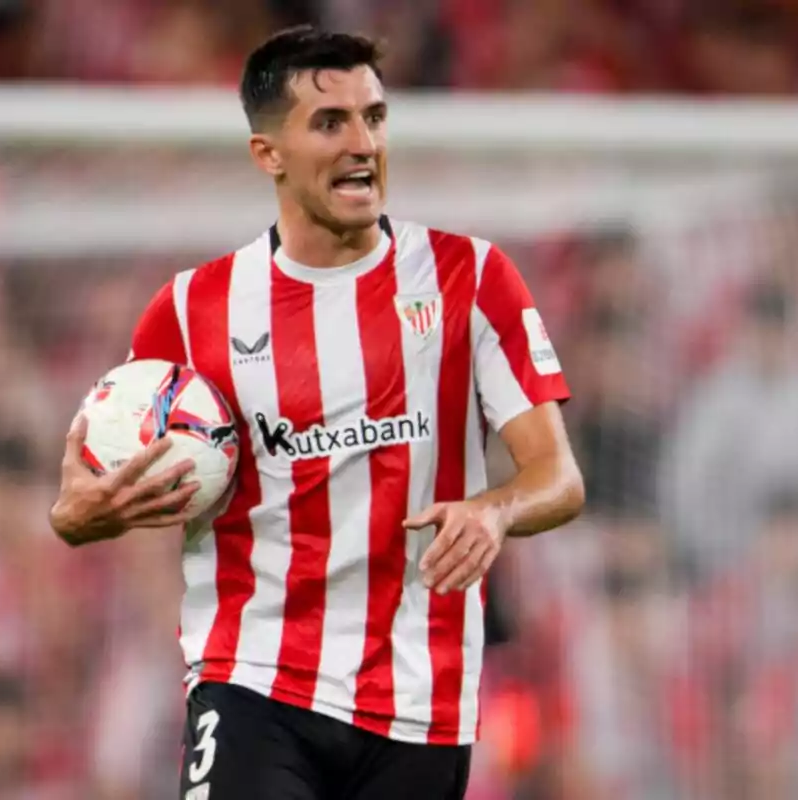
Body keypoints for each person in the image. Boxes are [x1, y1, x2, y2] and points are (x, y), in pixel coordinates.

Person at [48, 26, 585, 800]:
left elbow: (558, 477)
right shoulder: (193, 311)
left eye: (375, 116)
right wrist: (78, 516)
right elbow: (94, 492)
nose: (362, 142)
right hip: (254, 679)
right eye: (331, 122)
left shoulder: (472, 278)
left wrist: (497, 511)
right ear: (268, 154)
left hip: (418, 700)